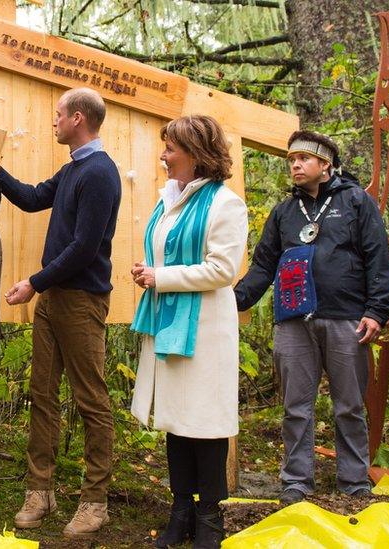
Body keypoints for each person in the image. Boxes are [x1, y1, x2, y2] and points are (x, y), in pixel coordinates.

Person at [0, 87, 121, 538]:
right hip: (54, 300)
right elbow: (36, 198)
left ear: (78, 118)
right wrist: (0, 175)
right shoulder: (74, 166)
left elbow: (84, 248)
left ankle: (96, 501)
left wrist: (34, 282)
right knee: (42, 395)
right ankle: (40, 490)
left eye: (58, 114)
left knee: (91, 400)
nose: (52, 121)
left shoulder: (100, 172)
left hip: (80, 301)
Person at [234, 130, 389, 506]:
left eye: (303, 159)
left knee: (349, 404)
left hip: (346, 316)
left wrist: (376, 311)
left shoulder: (356, 202)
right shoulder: (284, 212)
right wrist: (233, 300)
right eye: (291, 161)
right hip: (293, 320)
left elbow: (378, 257)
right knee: (295, 406)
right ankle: (296, 482)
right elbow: (262, 266)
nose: (295, 166)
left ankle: (354, 482)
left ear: (325, 165)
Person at [129, 115, 248, 549]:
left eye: (170, 149)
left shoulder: (225, 204)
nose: (163, 156)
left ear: (197, 155)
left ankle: (210, 519)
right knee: (176, 421)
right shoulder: (168, 202)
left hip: (205, 330)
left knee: (207, 423)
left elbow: (223, 270)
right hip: (168, 322)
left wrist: (161, 276)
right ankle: (180, 512)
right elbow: (166, 256)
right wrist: (149, 271)